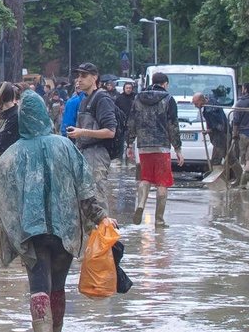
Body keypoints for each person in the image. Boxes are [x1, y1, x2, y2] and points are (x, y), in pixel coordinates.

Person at [0, 91, 101, 332]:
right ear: (45, 117)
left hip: (32, 231)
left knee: (39, 285)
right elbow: (87, 188)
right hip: (66, 230)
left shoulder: (15, 152)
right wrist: (101, 218)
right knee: (58, 287)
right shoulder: (65, 146)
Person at [128, 72, 181, 226]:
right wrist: (177, 148)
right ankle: (159, 219)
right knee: (162, 182)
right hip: (162, 146)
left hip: (143, 145)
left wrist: (129, 143)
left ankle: (140, 205)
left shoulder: (138, 98)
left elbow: (131, 121)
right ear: (165, 84)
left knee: (145, 178)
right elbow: (173, 125)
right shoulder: (169, 99)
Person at [64, 63, 119, 207]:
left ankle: (104, 230)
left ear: (94, 77)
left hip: (98, 154)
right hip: (84, 153)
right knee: (85, 200)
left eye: (84, 76)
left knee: (97, 199)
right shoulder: (83, 101)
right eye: (78, 76)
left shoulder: (102, 99)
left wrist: (82, 132)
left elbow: (110, 132)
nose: (79, 80)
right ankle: (90, 230)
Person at [195, 92, 232, 186]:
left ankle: (222, 180)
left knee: (218, 159)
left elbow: (220, 126)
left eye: (196, 104)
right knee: (229, 157)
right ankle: (232, 178)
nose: (195, 106)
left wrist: (209, 130)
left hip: (221, 136)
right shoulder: (210, 100)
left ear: (201, 100)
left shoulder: (210, 111)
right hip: (224, 133)